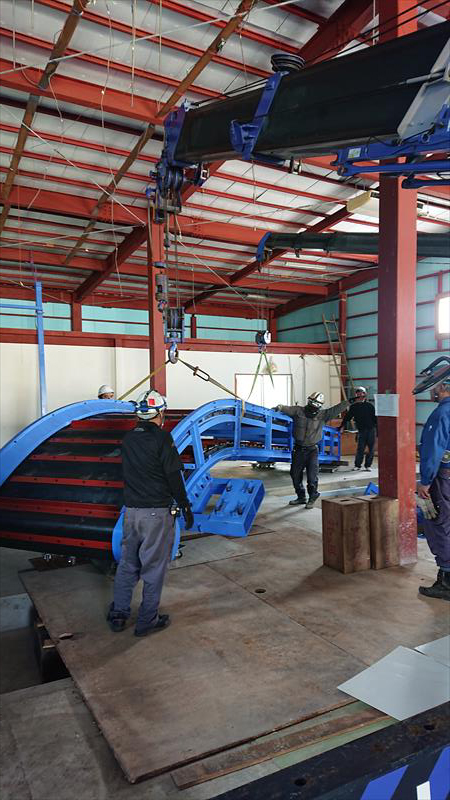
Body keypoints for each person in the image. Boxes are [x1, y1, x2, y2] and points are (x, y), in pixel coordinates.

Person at [107, 390, 194, 635]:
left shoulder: (128, 439)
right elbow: (173, 476)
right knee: (153, 568)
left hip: (131, 512)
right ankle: (147, 621)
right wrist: (185, 505)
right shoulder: (162, 439)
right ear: (160, 413)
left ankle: (119, 615)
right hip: (156, 513)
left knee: (127, 564)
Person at [275, 392, 348, 509]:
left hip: (312, 451)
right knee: (295, 475)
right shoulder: (298, 411)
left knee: (312, 477)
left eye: (316, 404)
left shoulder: (324, 415)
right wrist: (279, 407)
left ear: (319, 406)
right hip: (298, 450)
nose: (313, 406)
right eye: (312, 402)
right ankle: (301, 497)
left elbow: (336, 409)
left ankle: (312, 496)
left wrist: (349, 402)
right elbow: (286, 409)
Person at [414, 365, 450, 602]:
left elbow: (433, 450)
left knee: (440, 524)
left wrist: (425, 482)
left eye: (433, 386)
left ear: (443, 386)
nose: (431, 391)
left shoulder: (441, 414)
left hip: (443, 478)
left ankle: (446, 583)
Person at [340, 386, 377, 472]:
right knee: (360, 449)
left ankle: (368, 465)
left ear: (365, 394)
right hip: (361, 431)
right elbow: (347, 417)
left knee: (371, 449)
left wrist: (378, 431)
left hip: (371, 430)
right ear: (356, 395)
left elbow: (375, 418)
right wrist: (342, 426)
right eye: (358, 393)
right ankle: (357, 465)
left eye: (362, 393)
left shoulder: (370, 406)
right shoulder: (354, 407)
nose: (360, 395)